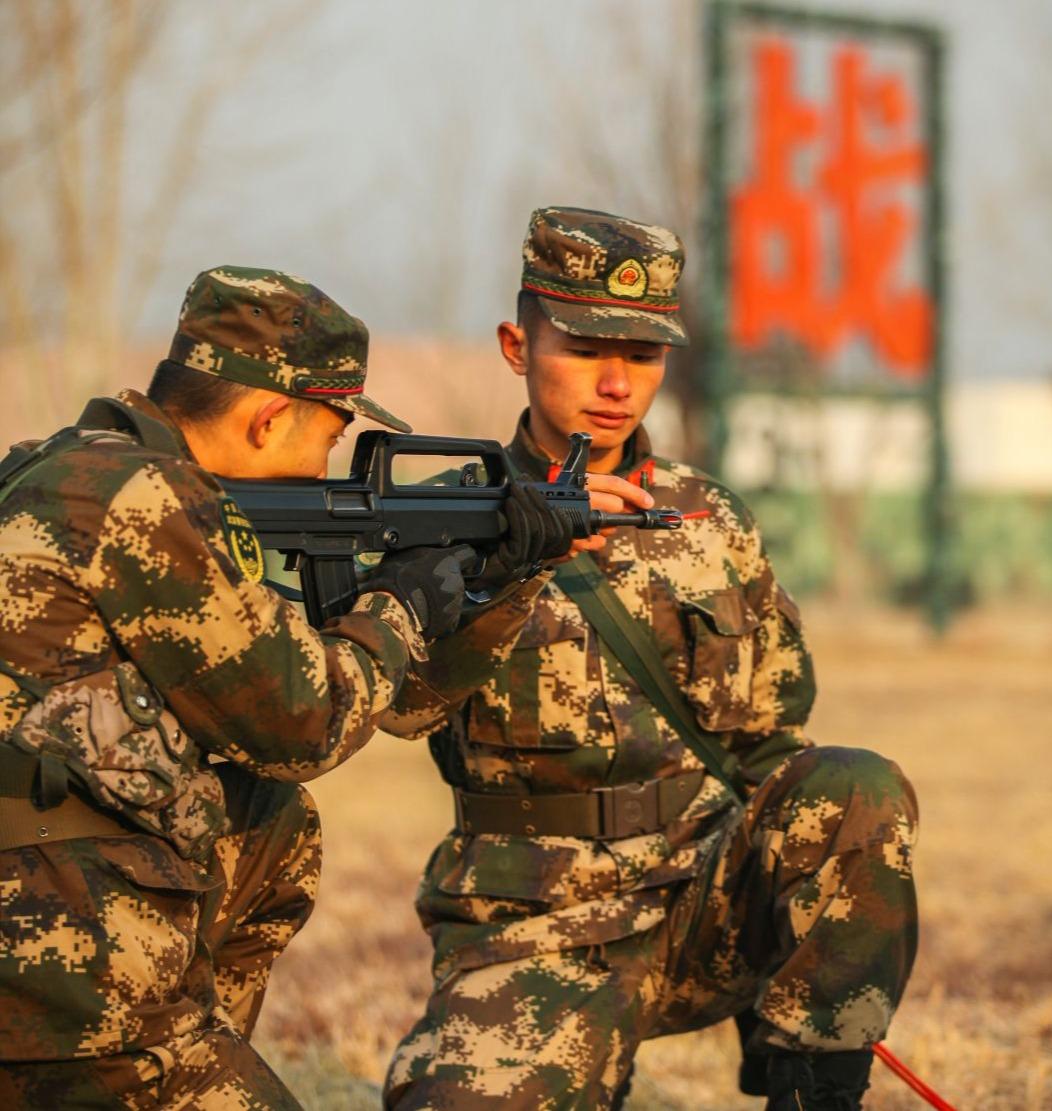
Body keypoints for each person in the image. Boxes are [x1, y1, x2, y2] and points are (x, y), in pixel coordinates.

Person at [0, 265, 603, 1109]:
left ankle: (185, 1038)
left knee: (268, 820)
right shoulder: (144, 498)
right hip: (54, 951)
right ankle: (156, 1063)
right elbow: (302, 722)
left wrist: (492, 575)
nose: (330, 457)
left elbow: (368, 697)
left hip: (39, 912)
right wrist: (400, 601)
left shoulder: (61, 470)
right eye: (330, 432)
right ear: (269, 415)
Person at [381, 209, 919, 1111]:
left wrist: (800, 929)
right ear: (517, 344)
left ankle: (812, 1088)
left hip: (703, 902)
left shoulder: (707, 518)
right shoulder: (447, 519)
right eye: (587, 346)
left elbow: (770, 736)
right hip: (538, 926)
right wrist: (513, 567)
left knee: (856, 786)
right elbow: (397, 704)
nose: (616, 381)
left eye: (642, 353)